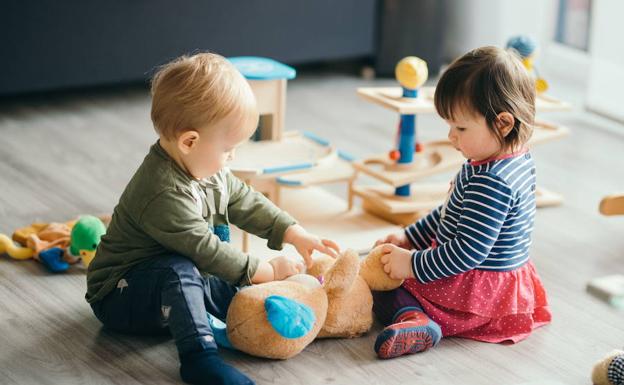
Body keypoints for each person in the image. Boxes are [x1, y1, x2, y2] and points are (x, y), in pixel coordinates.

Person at [85, 52, 340, 385]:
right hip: (121, 297)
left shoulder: (209, 169)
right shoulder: (161, 191)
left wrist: (292, 232)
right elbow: (206, 250)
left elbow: (244, 200)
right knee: (185, 271)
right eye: (228, 148)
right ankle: (199, 359)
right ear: (190, 141)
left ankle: (265, 320)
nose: (232, 157)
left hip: (177, 276)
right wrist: (264, 270)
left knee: (222, 280)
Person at [372, 46, 552, 359]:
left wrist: (411, 264)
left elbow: (466, 252)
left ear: (503, 124)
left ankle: (416, 319)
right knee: (393, 268)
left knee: (385, 287)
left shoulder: (492, 180)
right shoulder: (504, 158)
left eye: (461, 128)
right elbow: (451, 212)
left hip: (476, 291)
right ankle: (419, 313)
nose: (451, 136)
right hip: (497, 285)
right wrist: (410, 236)